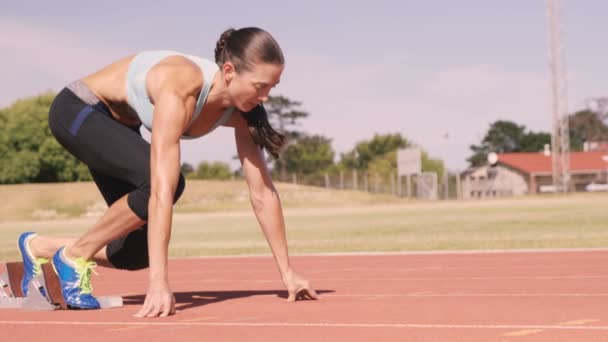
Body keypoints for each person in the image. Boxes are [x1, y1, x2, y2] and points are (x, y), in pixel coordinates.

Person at [17, 27, 318, 317]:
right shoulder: (182, 84)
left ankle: (40, 246)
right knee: (166, 183)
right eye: (259, 86)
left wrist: (287, 273)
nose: (265, 97)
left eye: (272, 87)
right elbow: (161, 189)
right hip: (77, 110)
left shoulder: (243, 113)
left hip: (119, 127)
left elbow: (262, 193)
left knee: (134, 252)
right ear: (229, 72)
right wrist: (158, 283)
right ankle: (74, 257)